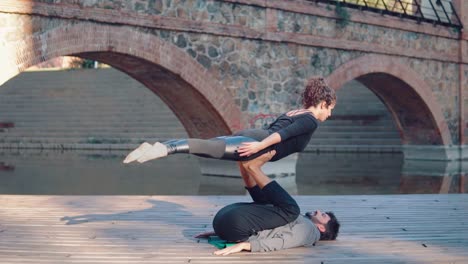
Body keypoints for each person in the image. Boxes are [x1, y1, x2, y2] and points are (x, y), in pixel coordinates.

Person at [122, 77, 336, 164]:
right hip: (257, 142)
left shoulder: (294, 112)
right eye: (330, 109)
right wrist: (258, 147)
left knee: (208, 146)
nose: (330, 115)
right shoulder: (311, 120)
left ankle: (158, 147)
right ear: (323, 103)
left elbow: (277, 129)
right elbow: (282, 135)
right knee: (205, 147)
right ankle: (158, 149)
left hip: (254, 134)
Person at [195, 150, 340, 256]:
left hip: (235, 227)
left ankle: (252, 167)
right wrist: (218, 233)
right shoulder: (295, 221)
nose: (319, 210)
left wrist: (247, 246)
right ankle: (244, 165)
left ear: (321, 228)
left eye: (324, 215)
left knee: (291, 209)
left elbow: (285, 241)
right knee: (270, 203)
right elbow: (267, 228)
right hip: (225, 225)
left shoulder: (311, 232)